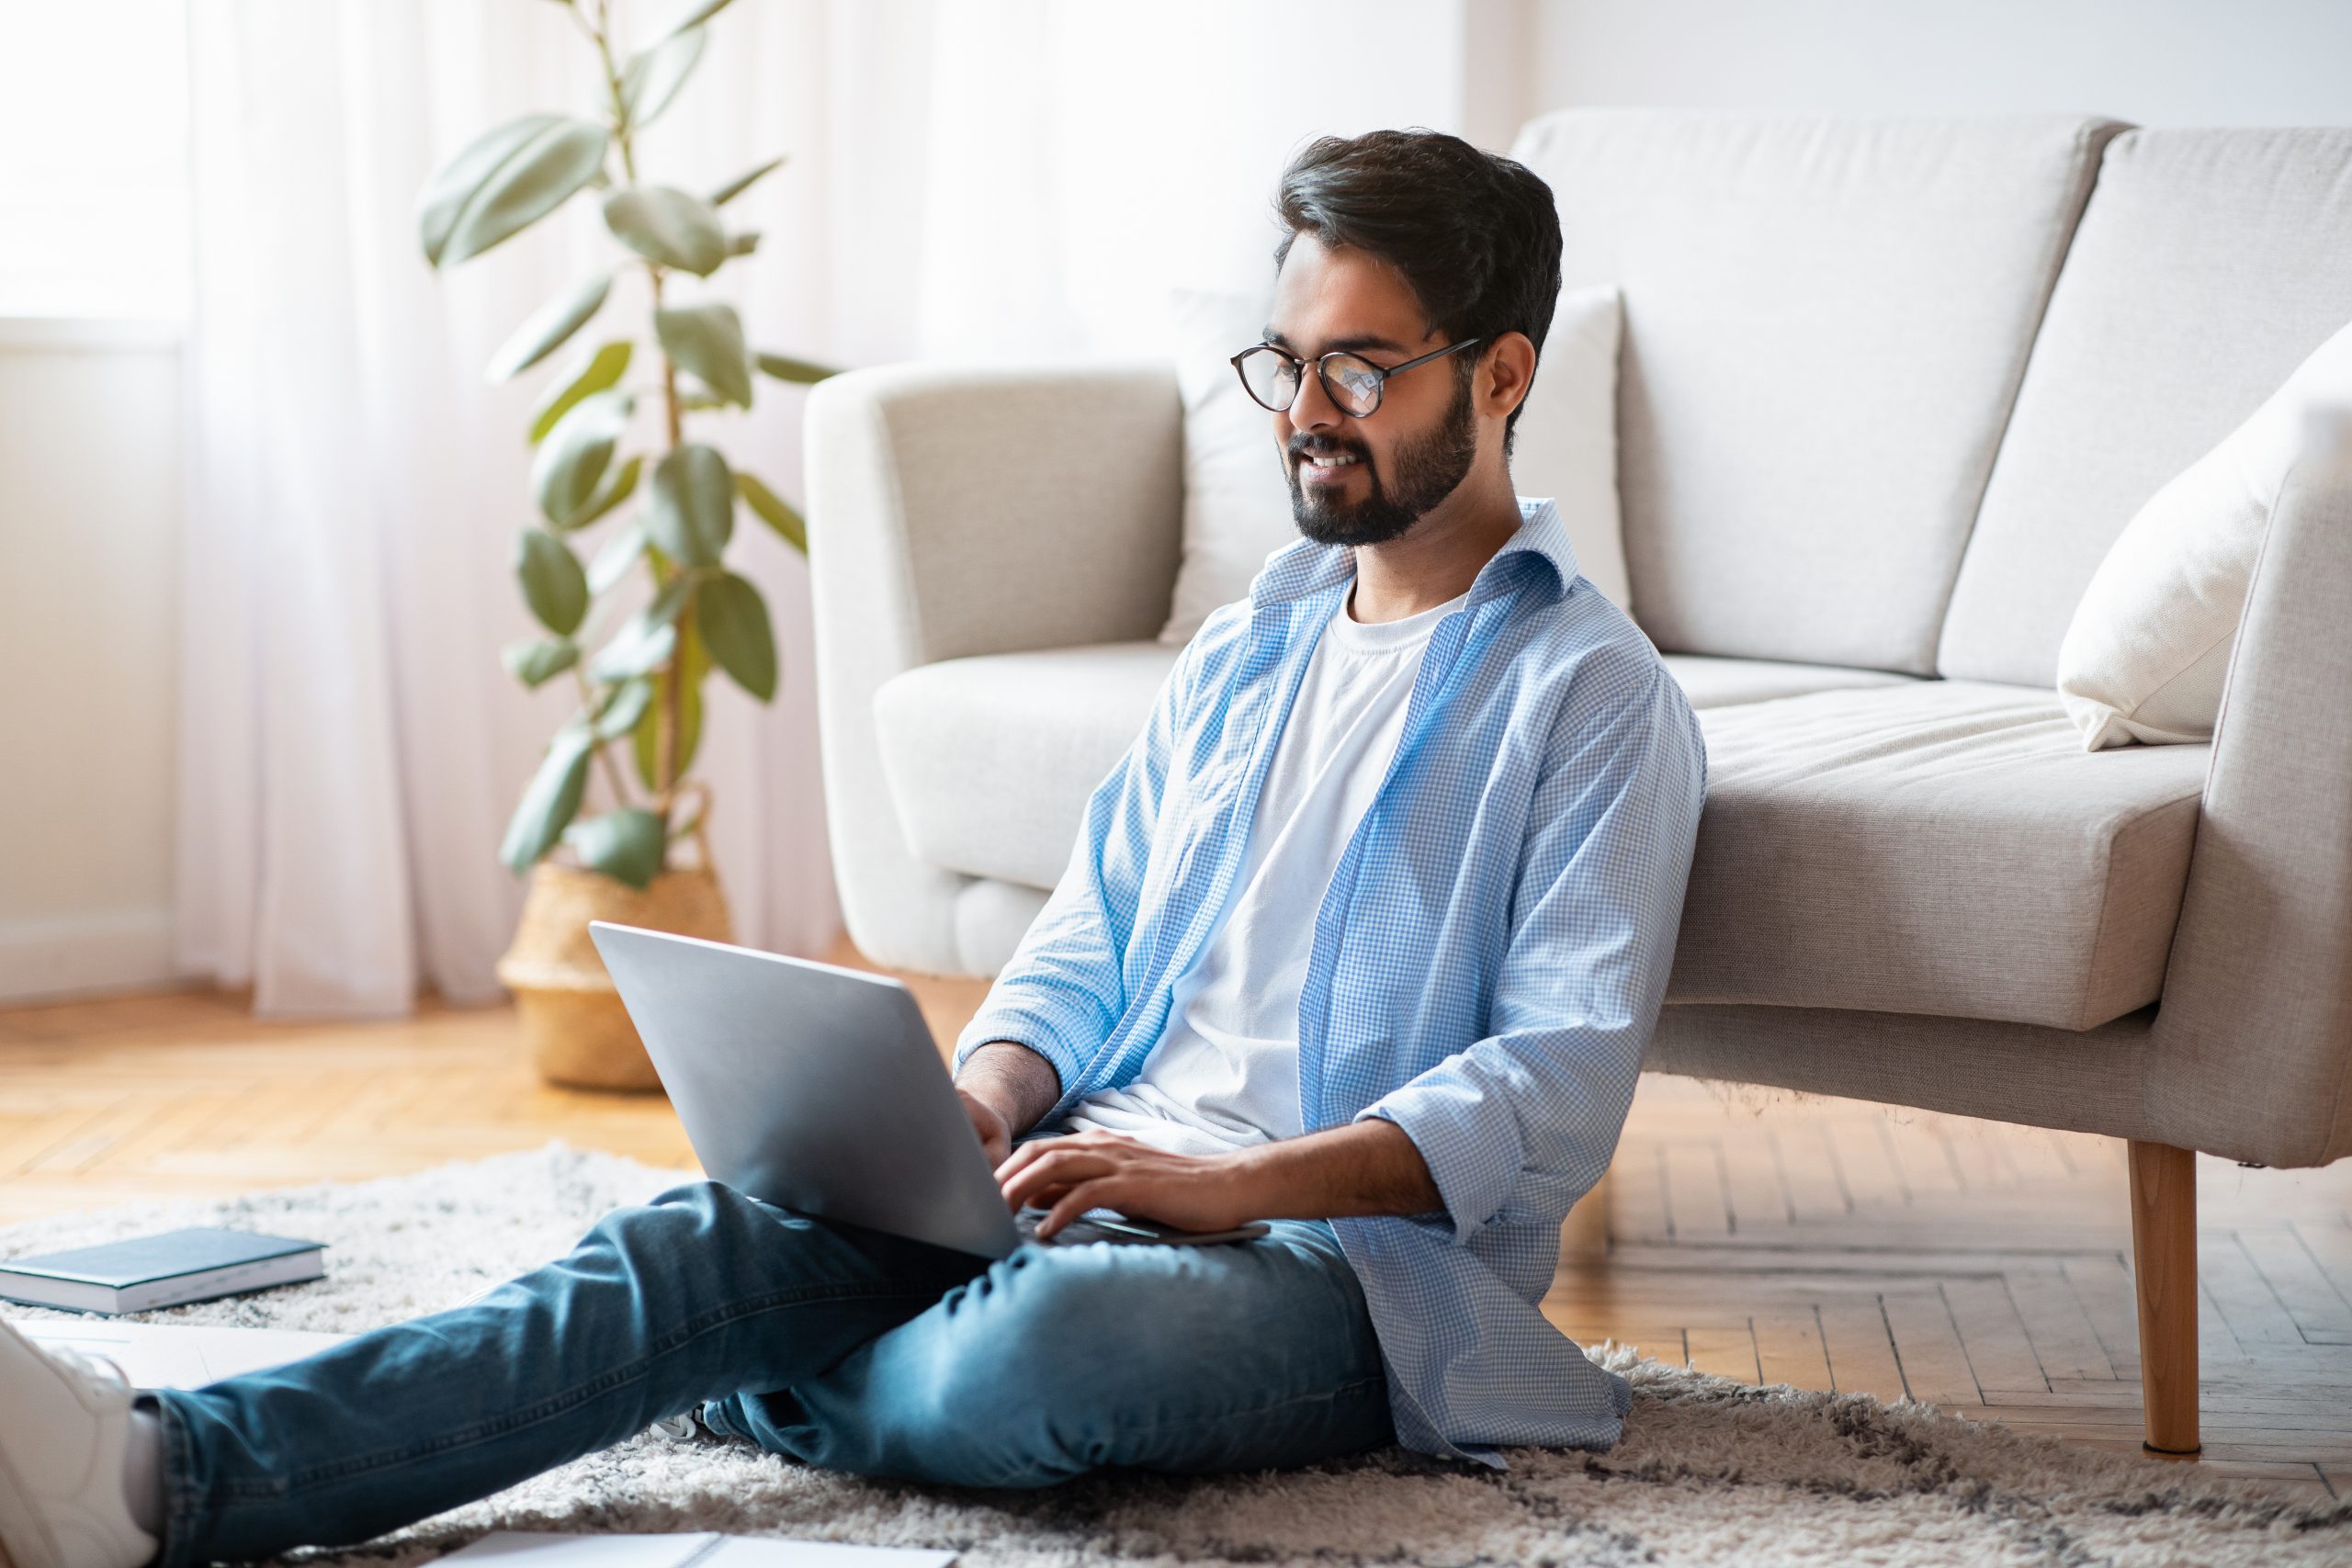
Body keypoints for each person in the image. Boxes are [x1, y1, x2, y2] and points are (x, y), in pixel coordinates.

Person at [0, 127, 1707, 1568]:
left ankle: (720, 1357)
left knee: (1019, 1357)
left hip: (1334, 1272)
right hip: (1077, 1172)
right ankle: (159, 1478)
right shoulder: (1253, 644)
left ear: (1500, 375)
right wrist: (986, 1102)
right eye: (1285, 362)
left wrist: (1219, 1188)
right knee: (691, 1237)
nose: (1303, 411)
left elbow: (1550, 1086)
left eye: (1359, 366)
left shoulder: (1595, 699)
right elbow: (1094, 928)